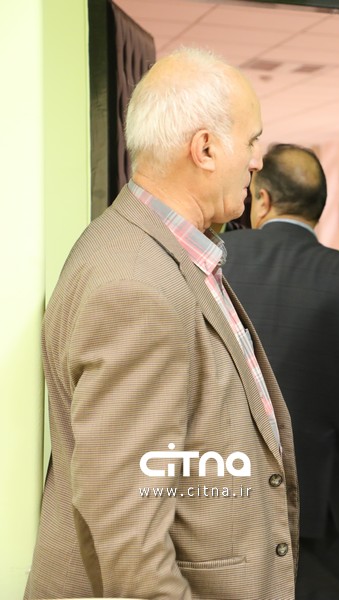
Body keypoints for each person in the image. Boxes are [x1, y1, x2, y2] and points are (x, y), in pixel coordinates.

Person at [25, 48, 299, 600]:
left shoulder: (153, 249)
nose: (256, 162)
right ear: (205, 148)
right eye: (251, 142)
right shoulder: (137, 281)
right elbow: (128, 529)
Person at [222, 144, 339, 600]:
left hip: (221, 497)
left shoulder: (216, 261)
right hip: (320, 505)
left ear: (262, 199)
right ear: (318, 208)